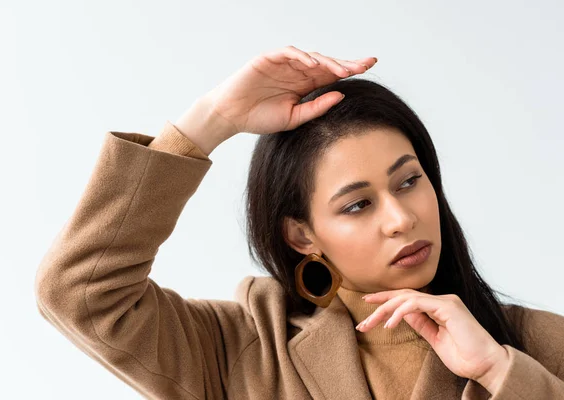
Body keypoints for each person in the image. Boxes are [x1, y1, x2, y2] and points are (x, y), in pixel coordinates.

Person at [34, 45, 564, 399]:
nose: (402, 218)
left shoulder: (536, 346)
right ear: (301, 235)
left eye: (408, 181)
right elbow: (80, 292)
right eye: (358, 205)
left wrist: (499, 372)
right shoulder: (240, 350)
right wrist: (213, 119)